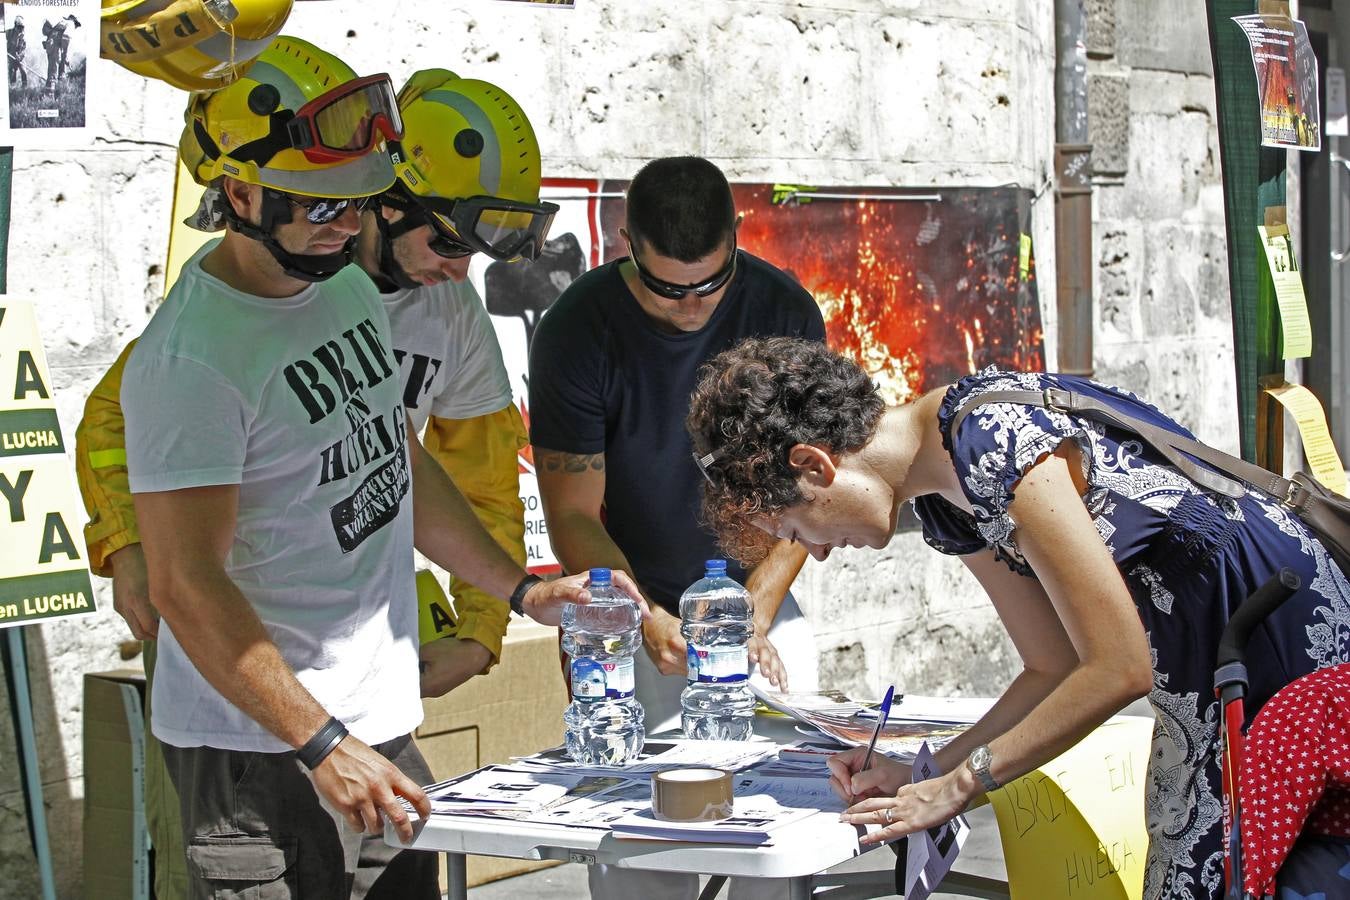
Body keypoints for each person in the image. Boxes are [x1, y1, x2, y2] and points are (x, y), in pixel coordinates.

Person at [114, 36, 640, 898]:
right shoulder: (193, 362)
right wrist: (320, 744)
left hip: (377, 720)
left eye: (354, 203)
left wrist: (516, 590)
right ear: (240, 192)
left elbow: (395, 459)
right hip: (260, 751)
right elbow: (185, 584)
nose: (341, 225)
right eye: (317, 205)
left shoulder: (343, 285)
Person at [684, 336, 1350, 900]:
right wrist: (928, 772)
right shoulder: (946, 500)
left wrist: (958, 787)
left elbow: (1117, 668)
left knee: (1261, 869)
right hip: (1209, 655)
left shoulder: (990, 443)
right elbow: (1051, 666)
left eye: (797, 527)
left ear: (814, 464)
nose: (819, 553)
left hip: (1280, 633)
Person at [528, 156, 825, 900]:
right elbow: (570, 510)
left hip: (756, 592)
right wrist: (645, 616)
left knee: (775, 836)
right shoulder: (579, 329)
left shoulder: (782, 313)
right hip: (633, 603)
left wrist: (756, 609)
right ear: (626, 242)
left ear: (738, 237)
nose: (691, 306)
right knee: (641, 855)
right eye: (667, 287)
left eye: (710, 284)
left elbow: (815, 490)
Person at [7, 15, 26, 90]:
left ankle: (24, 88)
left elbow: (24, 49)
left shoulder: (23, 36)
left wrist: (20, 56)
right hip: (11, 56)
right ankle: (12, 88)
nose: (20, 29)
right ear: (15, 26)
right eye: (19, 27)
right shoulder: (9, 33)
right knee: (11, 71)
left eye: (22, 27)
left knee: (23, 71)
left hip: (20, 57)